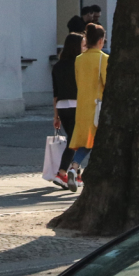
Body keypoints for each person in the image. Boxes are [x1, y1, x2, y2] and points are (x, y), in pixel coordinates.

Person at [68, 23, 107, 183]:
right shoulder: (103, 59)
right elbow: (107, 83)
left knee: (86, 141)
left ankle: (74, 167)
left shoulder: (79, 59)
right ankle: (84, 169)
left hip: (82, 105)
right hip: (97, 106)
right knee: (98, 140)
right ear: (100, 41)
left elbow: (79, 81)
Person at [51, 32, 83, 190]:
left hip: (63, 107)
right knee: (76, 141)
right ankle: (64, 172)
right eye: (83, 44)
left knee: (74, 139)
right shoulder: (79, 64)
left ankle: (74, 173)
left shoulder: (57, 66)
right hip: (78, 105)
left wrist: (55, 116)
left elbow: (55, 93)